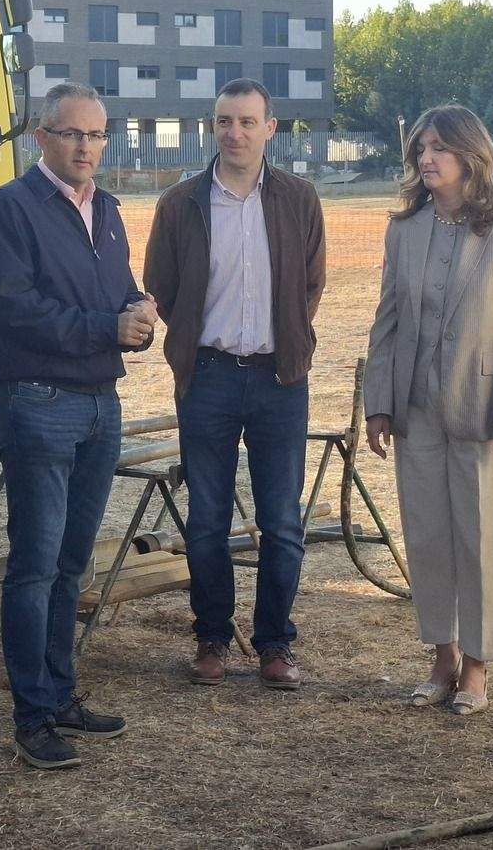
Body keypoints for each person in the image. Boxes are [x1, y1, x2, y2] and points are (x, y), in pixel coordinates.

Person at [0, 81, 156, 770]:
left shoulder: (105, 208)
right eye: (72, 133)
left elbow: (111, 293)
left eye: (97, 134)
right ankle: (32, 716)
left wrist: (135, 312)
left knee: (72, 563)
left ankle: (60, 692)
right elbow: (15, 309)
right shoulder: (6, 211)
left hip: (100, 403)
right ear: (39, 136)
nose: (86, 147)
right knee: (34, 565)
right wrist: (105, 326)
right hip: (38, 404)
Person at [142, 78, 326, 690]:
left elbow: (310, 285)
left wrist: (289, 340)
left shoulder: (300, 199)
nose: (235, 132)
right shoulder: (181, 203)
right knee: (207, 520)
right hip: (209, 378)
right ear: (211, 127)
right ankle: (212, 638)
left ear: (270, 128)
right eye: (225, 121)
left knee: (281, 521)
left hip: (279, 378)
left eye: (248, 121)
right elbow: (162, 287)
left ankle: (275, 643)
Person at [362, 105, 493, 715]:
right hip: (416, 411)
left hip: (484, 413)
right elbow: (385, 322)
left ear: (472, 154)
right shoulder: (404, 228)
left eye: (439, 147)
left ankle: (478, 668)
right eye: (421, 148)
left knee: (483, 538)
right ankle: (441, 657)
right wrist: (378, 405)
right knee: (429, 537)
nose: (426, 158)